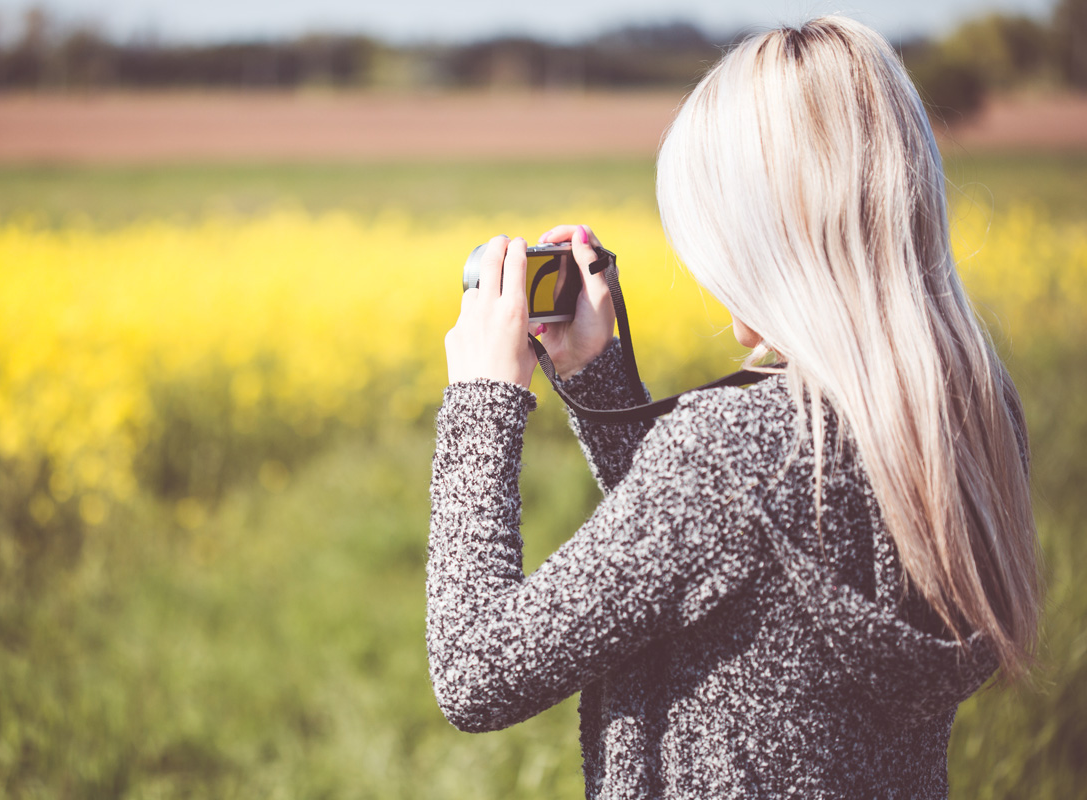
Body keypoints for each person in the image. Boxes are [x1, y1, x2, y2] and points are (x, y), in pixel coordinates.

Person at [427, 15, 1041, 798]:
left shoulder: (734, 453)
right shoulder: (967, 411)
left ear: (757, 237)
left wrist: (483, 401)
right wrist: (595, 376)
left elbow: (475, 671)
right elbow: (714, 561)